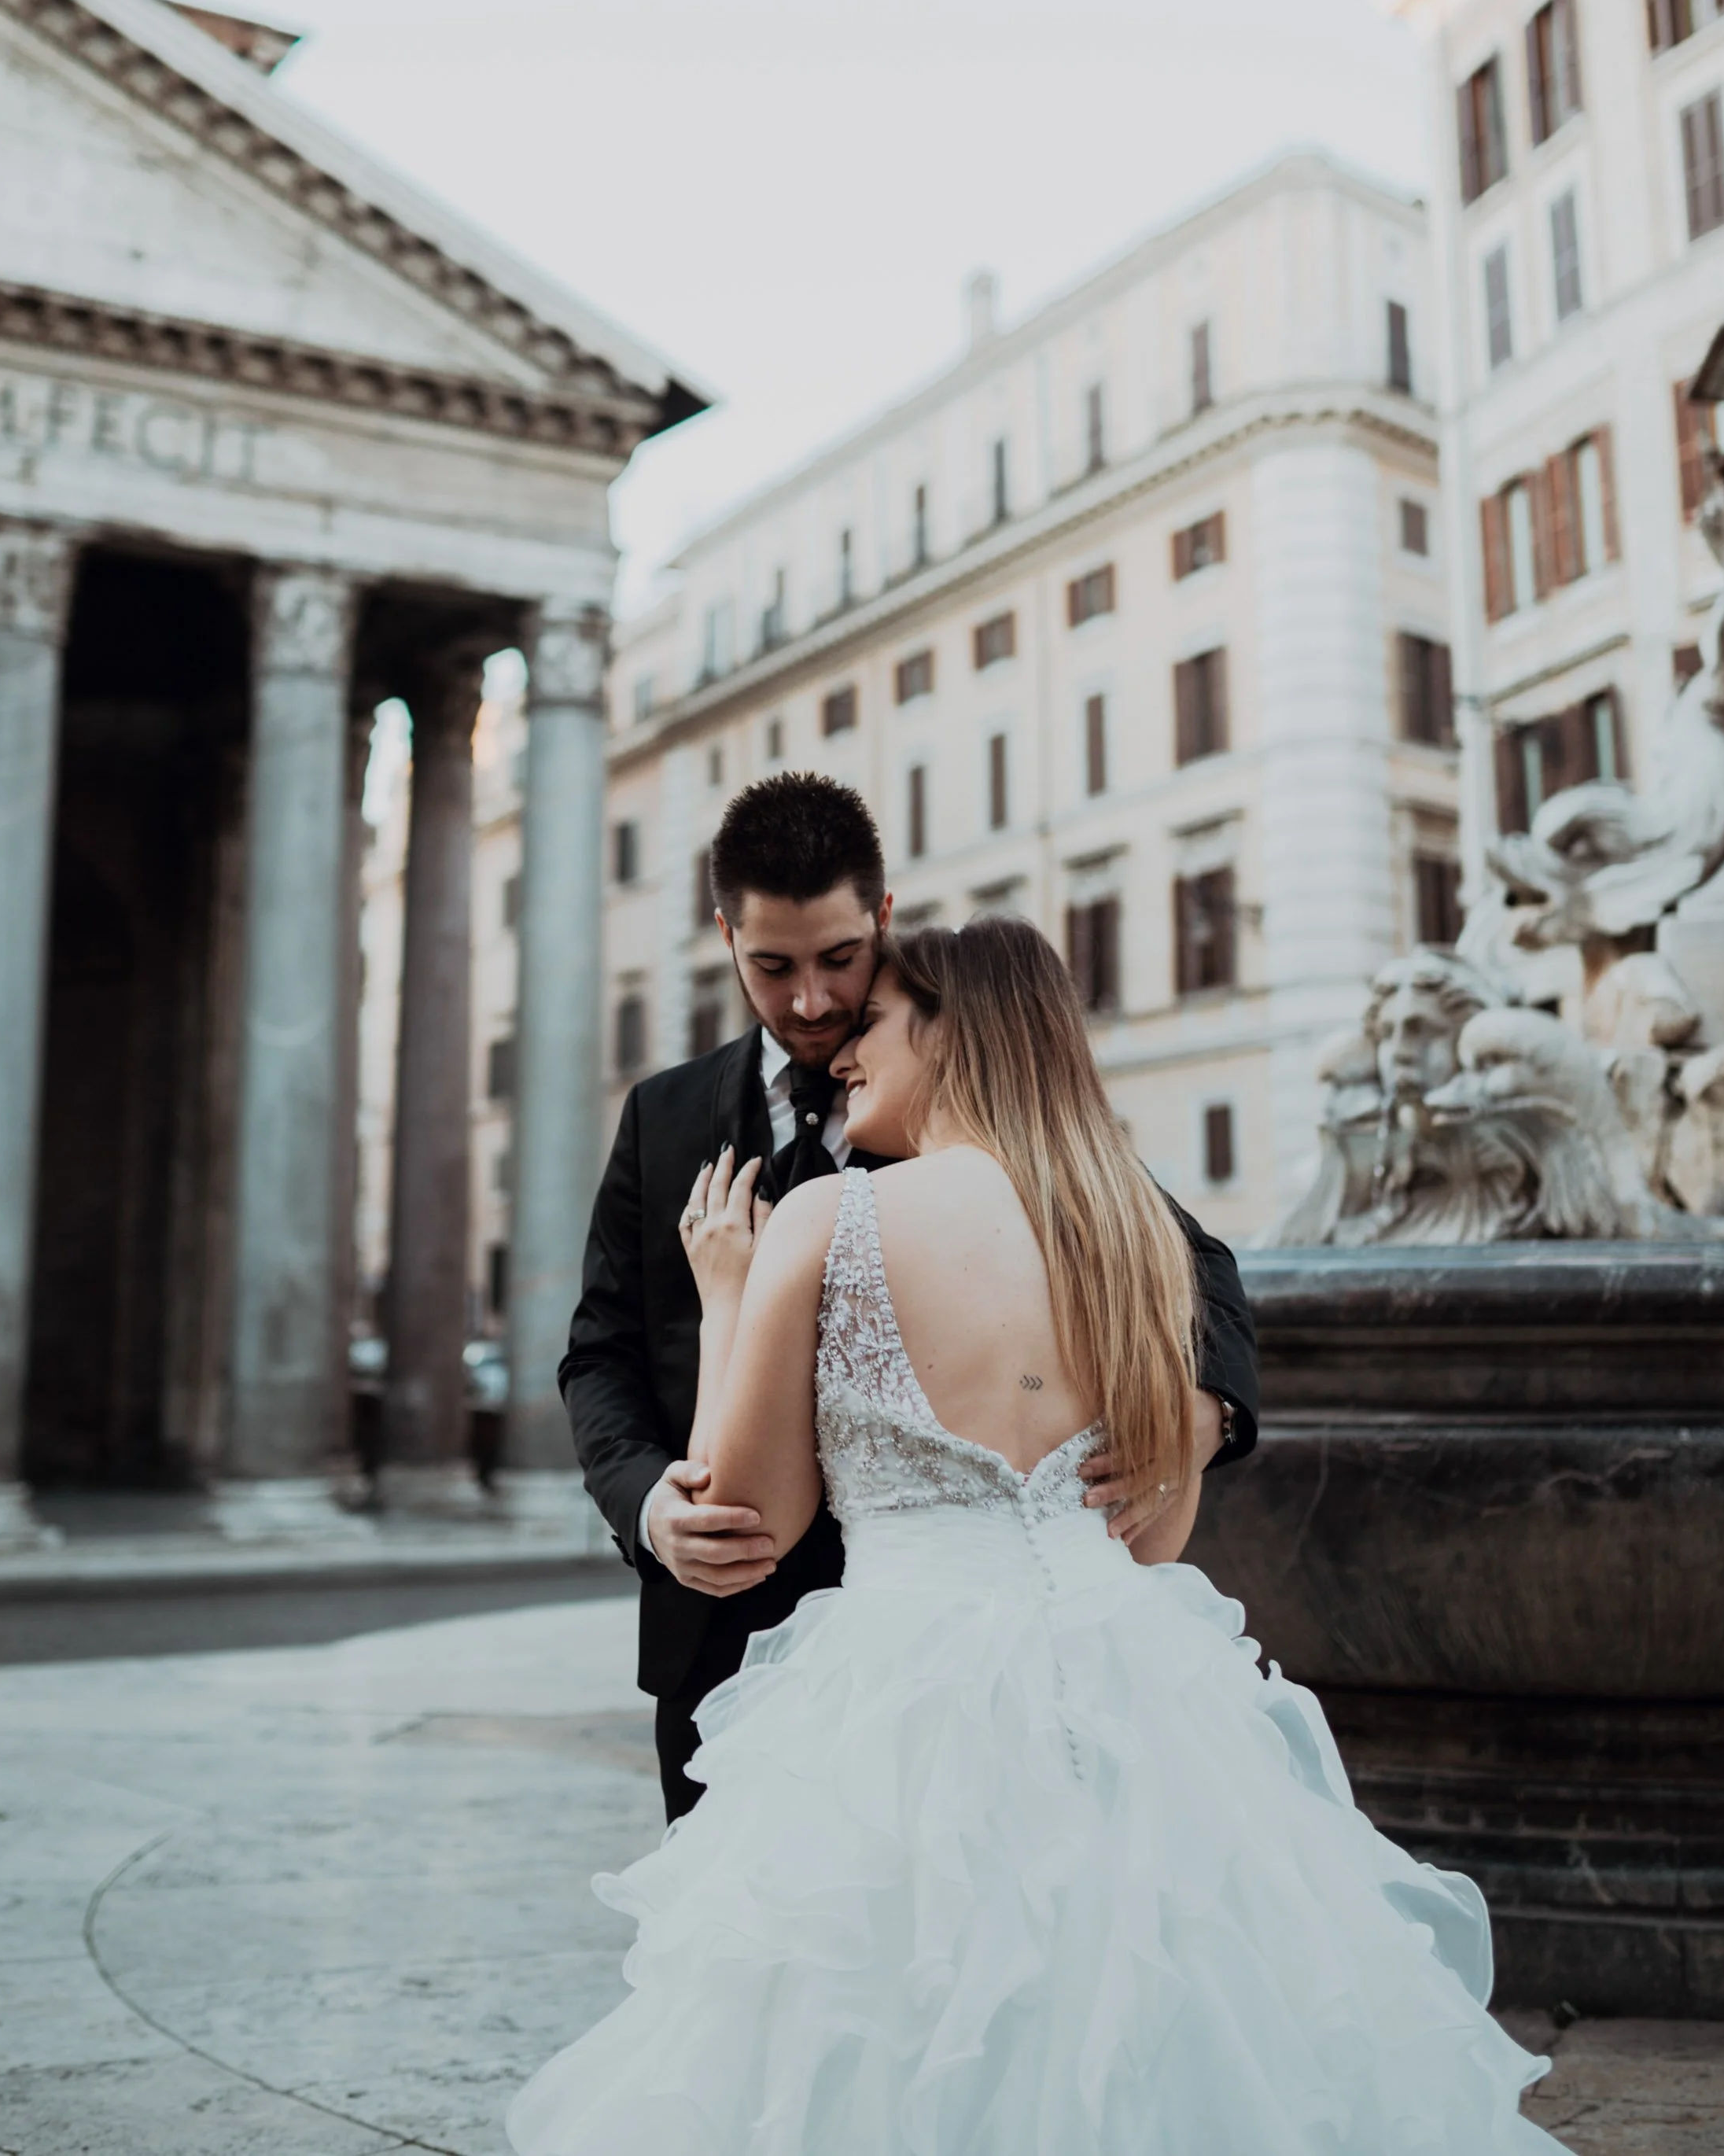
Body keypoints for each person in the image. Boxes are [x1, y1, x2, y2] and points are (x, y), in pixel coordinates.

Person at [512, 917, 1562, 2154]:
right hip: (1137, 1682)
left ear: (956, 1032)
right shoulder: (1133, 1236)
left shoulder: (824, 1221)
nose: (844, 1056)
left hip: (905, 1691)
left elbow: (750, 1515)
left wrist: (730, 1294)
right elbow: (1154, 1533)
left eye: (878, 1027)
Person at [558, 773, 1262, 1822]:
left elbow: (1181, 1256)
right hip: (721, 1640)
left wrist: (1205, 1410)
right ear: (725, 937)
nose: (811, 1003)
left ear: (882, 918)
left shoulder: (989, 1102)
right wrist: (652, 1505)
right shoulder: (662, 1118)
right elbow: (600, 1353)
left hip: (958, 1661)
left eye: (840, 961)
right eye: (773, 965)